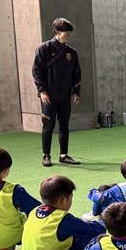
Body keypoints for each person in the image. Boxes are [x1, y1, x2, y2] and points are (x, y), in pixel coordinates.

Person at [20, 176, 105, 250]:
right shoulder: (64, 220)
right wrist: (102, 219)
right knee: (85, 234)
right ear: (63, 200)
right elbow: (95, 230)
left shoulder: (34, 211)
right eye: (71, 198)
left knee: (72, 230)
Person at [32, 18, 82, 167]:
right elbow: (36, 71)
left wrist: (76, 92)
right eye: (65, 32)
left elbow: (76, 73)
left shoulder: (71, 52)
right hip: (48, 96)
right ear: (56, 32)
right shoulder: (44, 49)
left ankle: (64, 155)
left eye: (69, 33)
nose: (68, 35)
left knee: (64, 125)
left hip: (65, 95)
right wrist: (42, 91)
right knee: (48, 125)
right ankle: (46, 155)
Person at [84, 158, 126, 223]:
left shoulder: (119, 188)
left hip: (125, 223)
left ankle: (94, 215)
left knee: (103, 188)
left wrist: (94, 191)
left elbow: (98, 198)